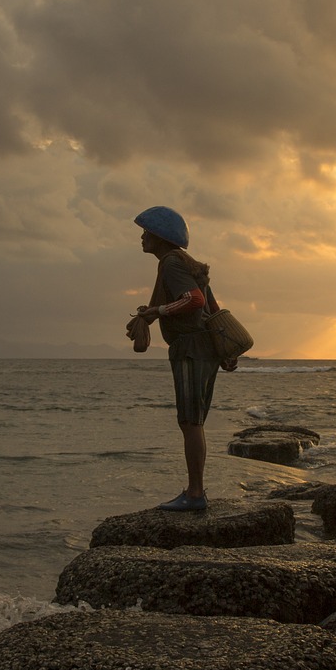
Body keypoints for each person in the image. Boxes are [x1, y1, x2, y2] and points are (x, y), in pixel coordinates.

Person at [128, 206, 237, 511]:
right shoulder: (187, 263)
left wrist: (157, 312)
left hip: (190, 348)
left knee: (190, 422)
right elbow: (213, 307)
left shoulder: (172, 262)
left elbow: (195, 300)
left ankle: (195, 494)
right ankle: (195, 491)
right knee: (195, 420)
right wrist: (225, 350)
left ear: (160, 236)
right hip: (205, 348)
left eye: (146, 231)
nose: (141, 237)